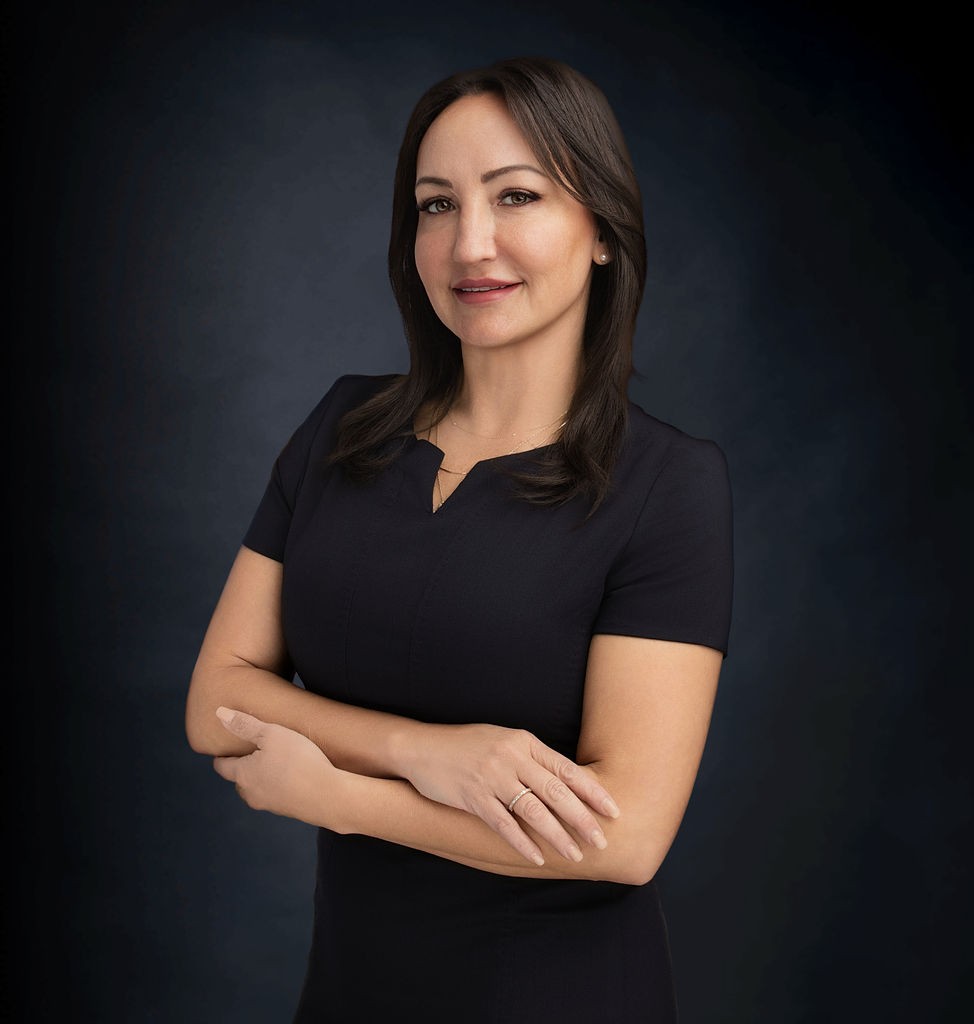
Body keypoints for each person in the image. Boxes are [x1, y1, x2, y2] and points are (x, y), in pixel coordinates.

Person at [185, 55, 733, 1023]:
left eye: (515, 195)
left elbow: (627, 835)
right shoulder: (339, 431)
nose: (469, 243)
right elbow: (215, 702)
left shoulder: (668, 487)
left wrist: (342, 795)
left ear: (601, 229)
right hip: (350, 996)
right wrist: (427, 752)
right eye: (436, 206)